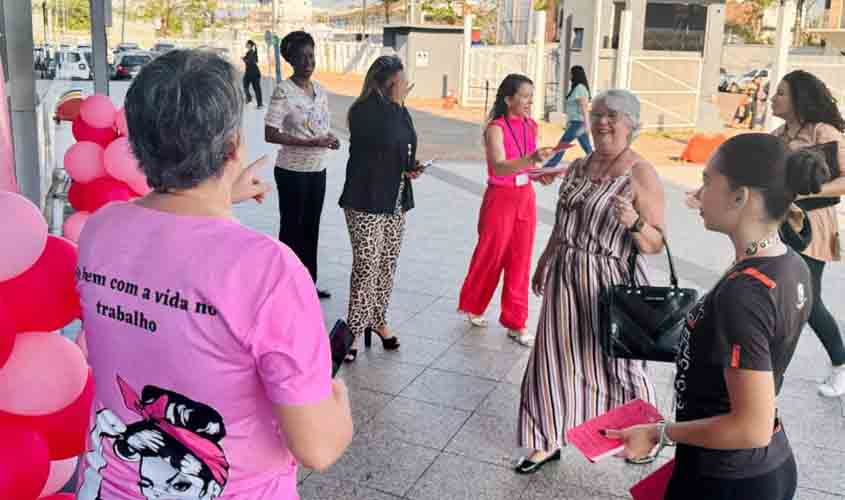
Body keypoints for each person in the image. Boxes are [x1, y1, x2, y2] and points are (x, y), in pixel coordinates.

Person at [75, 50, 353, 500]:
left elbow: (169, 243)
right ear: (232, 149)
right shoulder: (268, 270)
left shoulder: (101, 230)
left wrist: (224, 195)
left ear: (139, 144)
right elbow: (317, 447)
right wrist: (338, 398)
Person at [609, 133, 825, 500]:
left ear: (740, 197)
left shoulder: (745, 294)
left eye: (709, 182)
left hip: (728, 479)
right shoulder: (790, 263)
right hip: (763, 463)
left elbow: (750, 427)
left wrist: (660, 433)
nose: (698, 193)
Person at [514, 89, 666, 473]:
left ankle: (644, 437)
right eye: (597, 114)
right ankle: (543, 441)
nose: (602, 122)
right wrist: (546, 260)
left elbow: (655, 243)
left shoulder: (640, 172)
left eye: (613, 115)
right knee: (552, 358)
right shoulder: (580, 166)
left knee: (621, 366)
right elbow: (565, 222)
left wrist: (633, 221)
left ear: (632, 125)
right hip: (566, 273)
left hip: (610, 280)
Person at [457, 73, 556, 347]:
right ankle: (474, 305)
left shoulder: (531, 126)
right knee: (492, 254)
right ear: (508, 99)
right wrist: (530, 160)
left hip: (525, 197)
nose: (529, 102)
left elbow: (528, 168)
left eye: (531, 97)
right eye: (524, 96)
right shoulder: (495, 129)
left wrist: (542, 174)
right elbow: (499, 166)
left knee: (520, 259)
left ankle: (516, 322)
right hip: (500, 198)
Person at [339, 55, 424, 361]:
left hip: (395, 198)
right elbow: (385, 139)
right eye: (402, 81)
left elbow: (405, 145)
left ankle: (377, 319)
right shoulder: (364, 111)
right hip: (366, 199)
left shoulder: (399, 111)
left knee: (387, 263)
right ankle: (353, 329)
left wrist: (411, 167)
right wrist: (398, 105)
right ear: (389, 83)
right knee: (366, 265)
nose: (406, 86)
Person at [771, 69, 845, 397]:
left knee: (807, 299)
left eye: (781, 93)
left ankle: (841, 365)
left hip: (813, 224)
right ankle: (767, 371)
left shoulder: (822, 131)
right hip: (782, 221)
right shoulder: (780, 134)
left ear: (799, 99)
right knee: (778, 293)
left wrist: (806, 194)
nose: (774, 98)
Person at [265, 31, 340, 300]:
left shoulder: (320, 90)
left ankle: (308, 282)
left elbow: (320, 126)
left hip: (317, 170)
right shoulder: (283, 91)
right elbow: (270, 133)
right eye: (302, 57)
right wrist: (309, 143)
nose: (308, 61)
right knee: (292, 230)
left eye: (311, 55)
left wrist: (329, 139)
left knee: (311, 228)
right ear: (291, 60)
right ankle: (286, 286)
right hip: (291, 172)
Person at [546, 65, 593, 166]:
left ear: (576, 74)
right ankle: (598, 164)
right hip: (575, 122)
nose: (570, 75)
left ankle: (549, 166)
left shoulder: (580, 88)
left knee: (563, 144)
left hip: (578, 123)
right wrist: (569, 122)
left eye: (571, 73)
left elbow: (584, 107)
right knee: (586, 147)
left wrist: (587, 124)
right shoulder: (576, 88)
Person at [242, 40, 262, 108]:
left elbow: (251, 61)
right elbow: (255, 60)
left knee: (256, 88)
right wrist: (245, 59)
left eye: (247, 44)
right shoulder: (251, 52)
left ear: (250, 45)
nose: (246, 45)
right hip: (249, 72)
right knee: (245, 85)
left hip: (254, 73)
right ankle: (250, 98)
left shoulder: (252, 52)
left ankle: (259, 104)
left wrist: (244, 59)